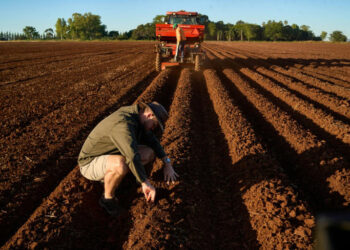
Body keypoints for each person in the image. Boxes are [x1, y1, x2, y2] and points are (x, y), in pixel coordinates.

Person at [78, 102, 178, 217]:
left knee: (148, 153)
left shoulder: (138, 118)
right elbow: (131, 155)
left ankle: (118, 178)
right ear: (150, 115)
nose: (153, 128)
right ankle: (107, 199)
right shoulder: (123, 123)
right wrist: (145, 182)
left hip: (111, 154)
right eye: (154, 125)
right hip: (90, 163)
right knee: (120, 164)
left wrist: (167, 163)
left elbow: (152, 141)